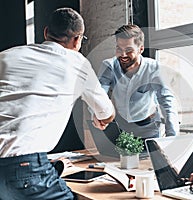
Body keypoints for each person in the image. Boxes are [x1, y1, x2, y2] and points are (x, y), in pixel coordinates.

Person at [0, 8, 115, 200]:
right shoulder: (77, 63)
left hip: (24, 167)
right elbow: (107, 113)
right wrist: (100, 119)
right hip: (24, 169)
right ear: (78, 40)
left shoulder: (6, 56)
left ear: (46, 33)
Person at [98, 24, 179, 142]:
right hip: (121, 127)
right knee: (118, 160)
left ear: (141, 49)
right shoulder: (109, 66)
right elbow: (99, 95)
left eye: (129, 50)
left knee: (149, 160)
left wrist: (172, 137)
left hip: (149, 127)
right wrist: (97, 115)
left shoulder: (154, 68)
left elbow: (167, 101)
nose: (123, 55)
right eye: (119, 49)